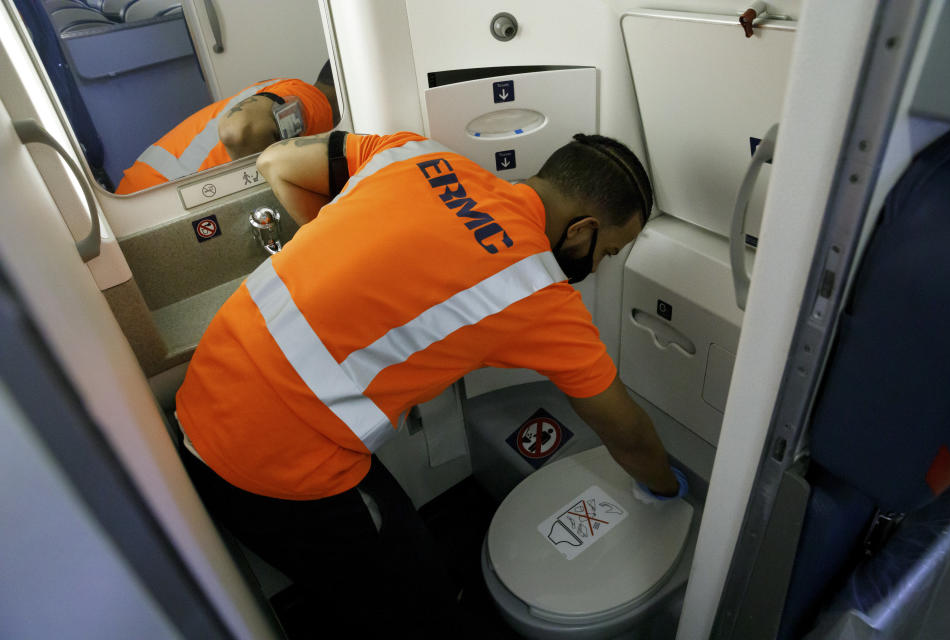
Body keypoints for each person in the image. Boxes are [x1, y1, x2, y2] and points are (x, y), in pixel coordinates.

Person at [174, 129, 686, 636]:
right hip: (270, 461)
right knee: (412, 609)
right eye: (608, 252)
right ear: (581, 230)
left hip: (206, 385)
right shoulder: (537, 292)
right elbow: (629, 436)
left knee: (403, 544)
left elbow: (274, 162)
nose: (596, 268)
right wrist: (669, 490)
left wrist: (346, 264)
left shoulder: (418, 155)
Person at [114, 73, 337, 194]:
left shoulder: (280, 88)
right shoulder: (314, 102)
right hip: (161, 200)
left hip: (137, 193)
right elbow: (240, 129)